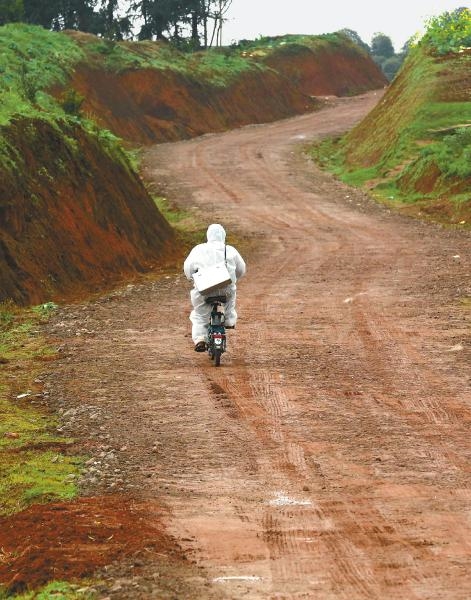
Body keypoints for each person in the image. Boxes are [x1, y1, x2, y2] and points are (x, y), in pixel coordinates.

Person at [184, 223, 246, 352]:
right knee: (231, 298)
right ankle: (228, 320)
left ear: (208, 236)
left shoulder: (198, 249)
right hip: (226, 288)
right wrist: (232, 279)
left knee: (200, 316)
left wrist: (192, 277)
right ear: (223, 236)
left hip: (204, 289)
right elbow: (241, 270)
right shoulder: (229, 249)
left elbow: (188, 269)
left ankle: (200, 338)